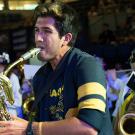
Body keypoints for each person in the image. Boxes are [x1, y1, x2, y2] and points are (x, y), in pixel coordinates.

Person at [0, 2, 113, 135]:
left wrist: (29, 128)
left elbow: (89, 127)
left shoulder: (86, 65)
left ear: (66, 38)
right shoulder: (40, 76)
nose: (38, 38)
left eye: (47, 31)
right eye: (37, 30)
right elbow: (44, 125)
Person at [0, 52, 23, 118]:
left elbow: (18, 102)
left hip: (9, 114)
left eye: (1, 65)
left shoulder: (13, 78)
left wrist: (3, 101)